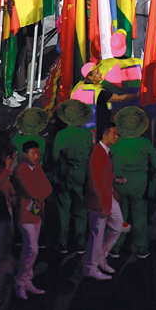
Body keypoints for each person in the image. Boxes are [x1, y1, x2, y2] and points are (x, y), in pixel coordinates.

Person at [108, 106, 156, 259]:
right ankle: (141, 247)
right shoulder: (145, 143)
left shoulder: (115, 142)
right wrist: (153, 184)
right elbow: (154, 166)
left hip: (119, 182)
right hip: (139, 182)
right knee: (139, 215)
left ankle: (116, 247)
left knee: (119, 215)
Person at [82, 121, 127, 280]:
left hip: (108, 197)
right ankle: (91, 268)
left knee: (118, 226)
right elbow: (95, 181)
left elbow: (104, 175)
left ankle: (101, 257)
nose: (117, 136)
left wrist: (115, 179)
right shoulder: (97, 153)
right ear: (104, 135)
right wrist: (103, 205)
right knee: (97, 234)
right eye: (114, 133)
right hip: (99, 201)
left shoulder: (105, 152)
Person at [53, 99, 94, 255]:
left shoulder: (62, 134)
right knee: (81, 210)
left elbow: (55, 157)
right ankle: (80, 242)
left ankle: (63, 242)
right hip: (82, 174)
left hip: (65, 174)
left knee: (64, 209)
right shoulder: (87, 135)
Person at [12, 139, 52, 297]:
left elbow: (47, 187)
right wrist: (39, 194)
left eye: (38, 153)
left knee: (28, 250)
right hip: (25, 214)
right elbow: (34, 192)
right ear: (25, 154)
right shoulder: (19, 170)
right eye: (33, 153)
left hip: (36, 212)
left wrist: (38, 194)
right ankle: (21, 280)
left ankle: (27, 279)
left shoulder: (37, 167)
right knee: (32, 250)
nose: (37, 156)